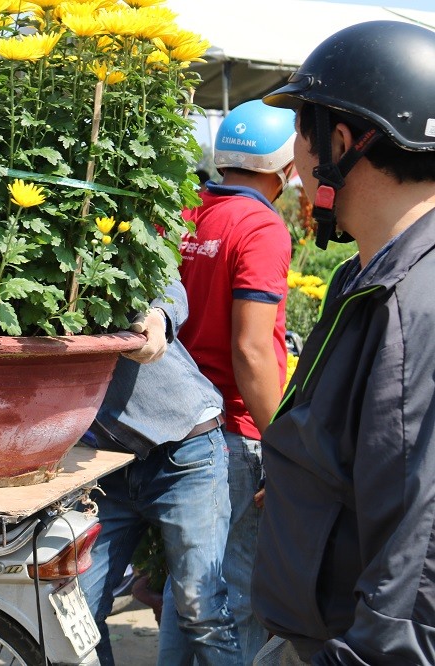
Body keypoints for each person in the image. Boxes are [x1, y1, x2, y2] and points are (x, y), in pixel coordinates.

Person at [252, 20, 435, 665]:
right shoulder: (370, 274)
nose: (294, 163)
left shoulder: (415, 305)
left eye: (301, 133)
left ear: (343, 141)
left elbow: (423, 532)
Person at [166, 99, 297, 665]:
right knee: (232, 595)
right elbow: (252, 349)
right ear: (286, 167)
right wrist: (284, 445)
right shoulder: (262, 227)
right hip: (235, 431)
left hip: (177, 425)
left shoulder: (185, 212)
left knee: (187, 588)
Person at [79, 281, 241, 665]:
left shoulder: (91, 241)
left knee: (202, 609)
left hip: (186, 450)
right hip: (106, 464)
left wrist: (157, 317)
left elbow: (164, 280)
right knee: (77, 616)